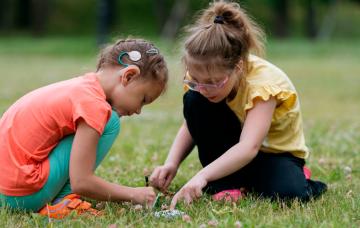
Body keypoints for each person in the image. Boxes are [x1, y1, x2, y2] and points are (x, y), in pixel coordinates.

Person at [149, 0, 327, 209]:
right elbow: (193, 123)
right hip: (232, 150)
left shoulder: (263, 85)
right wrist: (172, 162)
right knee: (195, 100)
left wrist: (202, 175)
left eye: (214, 82)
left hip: (273, 155)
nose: (204, 87)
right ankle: (227, 183)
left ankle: (295, 175)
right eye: (195, 80)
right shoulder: (201, 79)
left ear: (238, 68)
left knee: (289, 195)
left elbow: (248, 147)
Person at [0, 38, 168, 218]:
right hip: (23, 195)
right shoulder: (94, 104)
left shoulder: (82, 87)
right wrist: (134, 194)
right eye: (143, 99)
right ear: (128, 76)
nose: (138, 111)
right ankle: (63, 202)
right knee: (110, 121)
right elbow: (81, 182)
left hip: (4, 191)